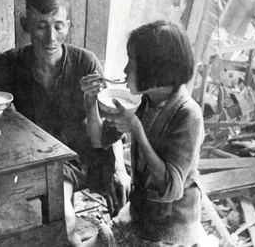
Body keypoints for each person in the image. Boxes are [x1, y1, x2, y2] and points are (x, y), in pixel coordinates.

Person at [0, 0, 129, 247]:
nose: (50, 37)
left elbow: (111, 120)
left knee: (64, 224)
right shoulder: (11, 63)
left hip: (76, 158)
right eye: (41, 26)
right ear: (25, 24)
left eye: (58, 26)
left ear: (68, 26)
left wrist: (118, 167)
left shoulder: (85, 63)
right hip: (36, 165)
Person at [79, 20, 205, 246]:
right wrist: (90, 102)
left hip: (169, 229)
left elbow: (170, 189)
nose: (126, 70)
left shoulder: (189, 115)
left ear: (154, 68)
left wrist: (136, 129)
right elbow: (98, 140)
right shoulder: (145, 102)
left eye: (132, 62)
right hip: (140, 216)